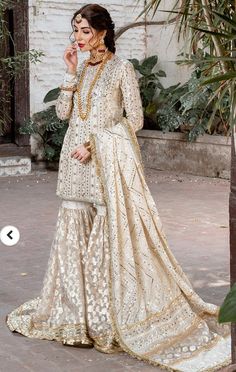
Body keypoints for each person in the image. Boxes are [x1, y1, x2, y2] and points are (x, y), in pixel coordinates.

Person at [6, 4, 231, 371]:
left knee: (105, 239)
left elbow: (136, 119)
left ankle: (106, 319)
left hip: (103, 165)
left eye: (83, 31)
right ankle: (76, 319)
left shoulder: (121, 70)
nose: (77, 38)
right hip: (73, 166)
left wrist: (95, 145)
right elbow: (65, 114)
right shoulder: (80, 69)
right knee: (75, 237)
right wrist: (69, 73)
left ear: (102, 32)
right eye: (74, 31)